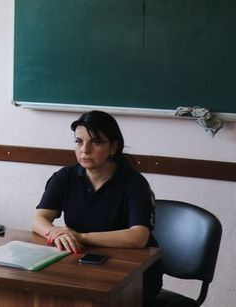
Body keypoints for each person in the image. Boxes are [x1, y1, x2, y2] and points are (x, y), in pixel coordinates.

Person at [32, 110, 163, 305]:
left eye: (95, 142)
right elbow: (39, 219)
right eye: (79, 141)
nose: (84, 150)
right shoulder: (65, 177)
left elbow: (139, 236)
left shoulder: (134, 183)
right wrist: (56, 234)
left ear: (113, 147)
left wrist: (81, 237)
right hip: (84, 264)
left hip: (135, 275)